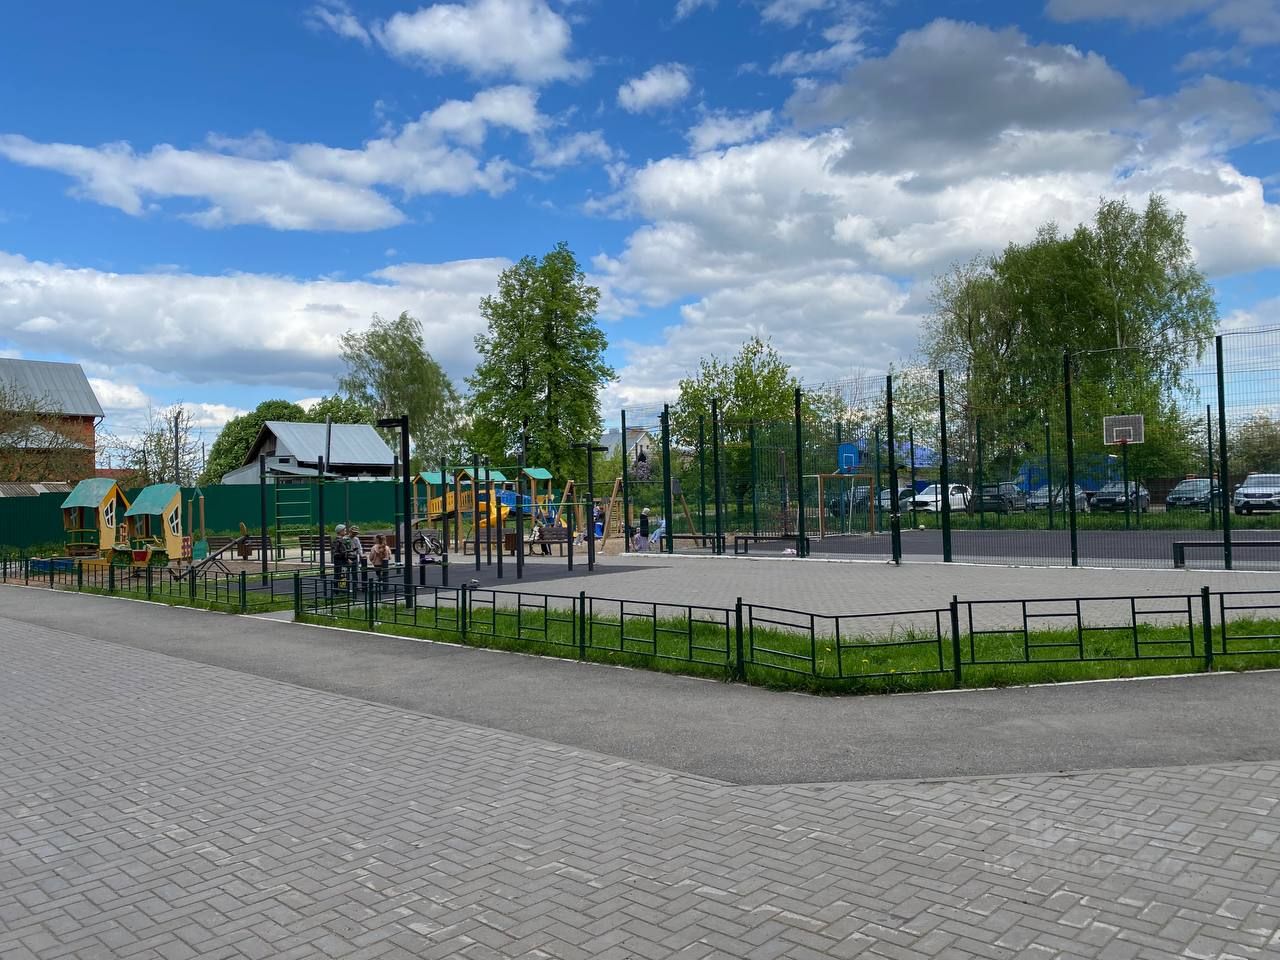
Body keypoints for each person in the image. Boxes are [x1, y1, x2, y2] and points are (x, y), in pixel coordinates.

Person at [331, 523, 351, 593]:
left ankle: (339, 589)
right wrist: (345, 556)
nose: (345, 531)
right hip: (340, 560)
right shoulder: (339, 540)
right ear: (340, 531)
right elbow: (337, 551)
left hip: (340, 560)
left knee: (341, 574)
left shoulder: (341, 540)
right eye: (344, 530)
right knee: (341, 574)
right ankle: (341, 589)